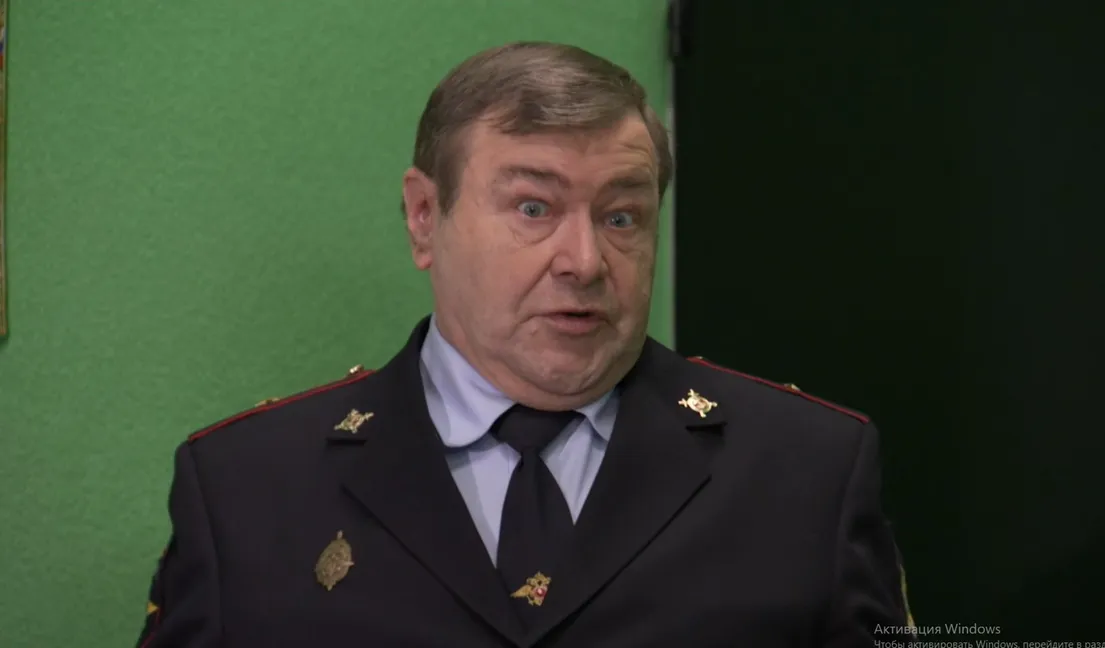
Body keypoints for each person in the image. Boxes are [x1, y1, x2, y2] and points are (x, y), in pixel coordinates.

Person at [135, 41, 914, 648]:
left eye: (621, 217)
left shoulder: (807, 473)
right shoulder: (244, 489)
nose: (585, 261)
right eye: (534, 208)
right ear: (423, 218)